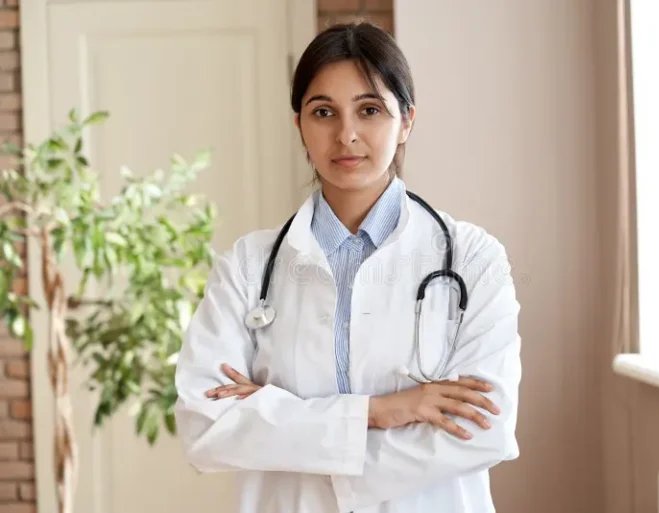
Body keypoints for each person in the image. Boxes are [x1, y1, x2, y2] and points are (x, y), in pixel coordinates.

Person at [174, 21, 522, 513]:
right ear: (299, 124)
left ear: (406, 121)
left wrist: (280, 423)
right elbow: (205, 427)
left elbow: (482, 431)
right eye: (323, 112)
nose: (347, 134)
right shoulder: (248, 268)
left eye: (370, 110)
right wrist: (383, 412)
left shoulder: (472, 259)